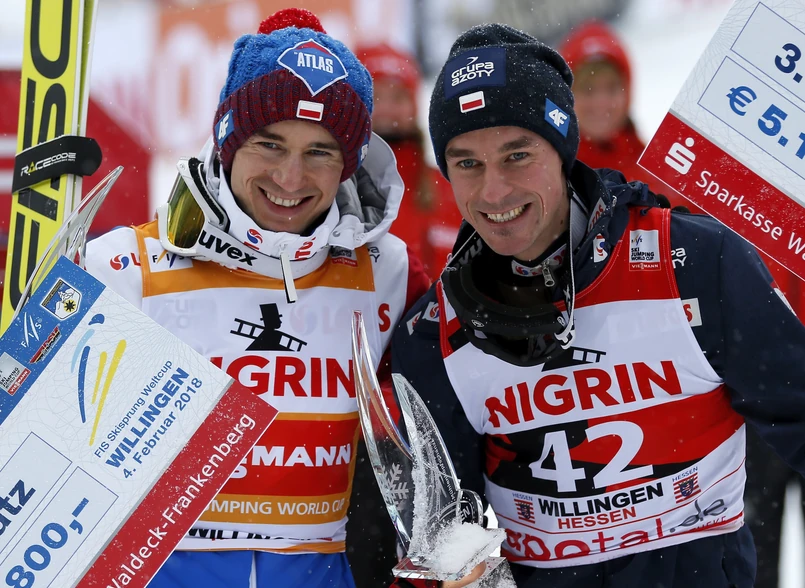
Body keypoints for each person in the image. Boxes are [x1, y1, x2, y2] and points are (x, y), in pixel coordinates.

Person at [390, 21, 805, 588]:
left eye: (517, 155)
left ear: (563, 150)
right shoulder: (433, 335)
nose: (494, 191)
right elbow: (435, 542)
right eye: (467, 163)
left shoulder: (696, 263)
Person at [85, 8, 429, 588]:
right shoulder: (124, 267)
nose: (291, 178)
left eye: (320, 151)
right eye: (270, 144)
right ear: (227, 141)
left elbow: (443, 428)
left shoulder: (388, 273)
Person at [356, 43, 463, 280]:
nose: (386, 109)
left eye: (398, 97)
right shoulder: (336, 190)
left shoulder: (453, 188)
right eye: (375, 97)